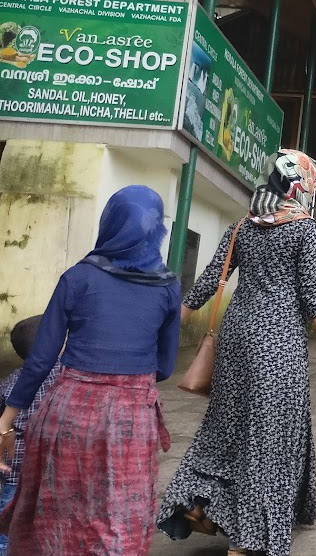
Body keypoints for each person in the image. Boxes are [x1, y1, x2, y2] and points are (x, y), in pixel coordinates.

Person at [158, 149, 316, 556]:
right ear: (301, 184)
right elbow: (314, 297)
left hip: (236, 335)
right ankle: (247, 540)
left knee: (226, 425)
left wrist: (165, 328)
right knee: (271, 436)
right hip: (278, 342)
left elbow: (207, 282)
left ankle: (200, 499)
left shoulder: (243, 226)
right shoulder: (305, 230)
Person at [0, 185, 182, 555]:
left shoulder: (78, 278)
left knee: (60, 512)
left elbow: (40, 360)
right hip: (131, 422)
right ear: (156, 231)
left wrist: (6, 421)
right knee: (120, 515)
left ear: (109, 223)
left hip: (68, 416)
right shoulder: (168, 288)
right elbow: (165, 367)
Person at [0, 315, 62, 556]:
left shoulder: (9, 381)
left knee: (7, 522)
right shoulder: (66, 376)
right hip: (53, 470)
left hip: (14, 471)